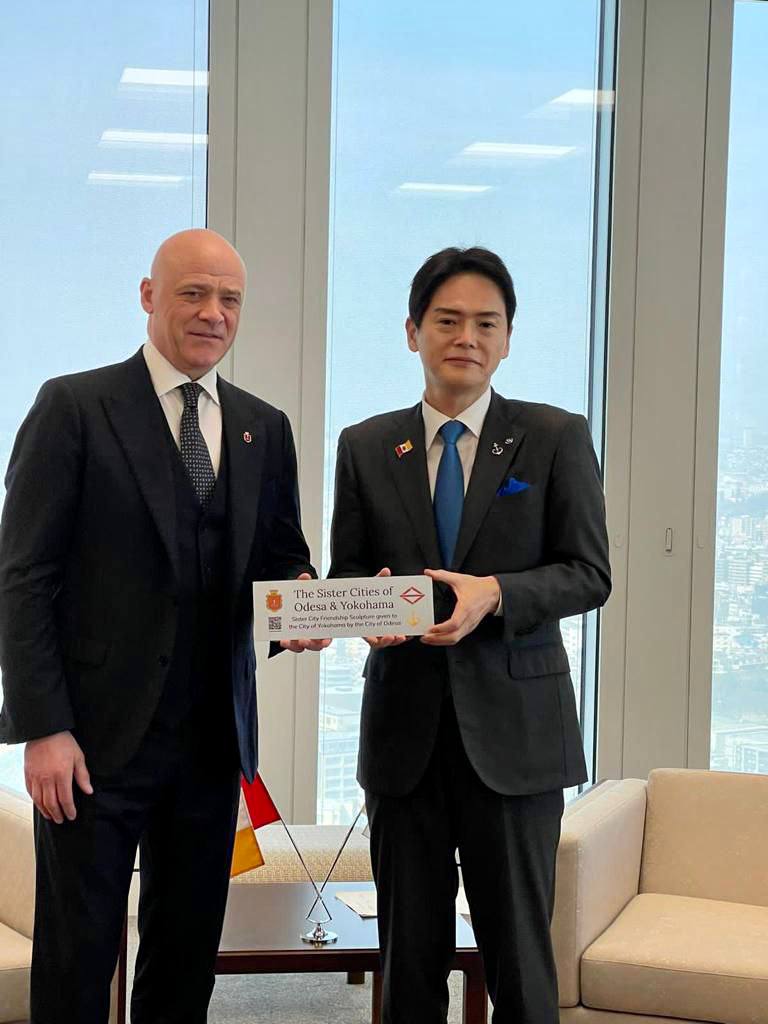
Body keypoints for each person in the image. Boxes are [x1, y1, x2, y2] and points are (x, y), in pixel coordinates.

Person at [0, 228, 326, 1024]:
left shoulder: (262, 426)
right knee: (77, 960)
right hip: (91, 747)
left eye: (230, 299)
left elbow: (282, 558)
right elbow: (23, 577)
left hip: (213, 745)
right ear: (149, 296)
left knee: (184, 963)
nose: (214, 313)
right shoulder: (74, 408)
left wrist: (309, 605)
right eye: (194, 293)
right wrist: (44, 727)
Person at [329, 247, 611, 1023]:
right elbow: (349, 572)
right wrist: (369, 613)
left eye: (486, 323)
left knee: (520, 964)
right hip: (404, 741)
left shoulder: (554, 436)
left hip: (517, 744)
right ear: (412, 331)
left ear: (508, 338)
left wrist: (497, 594)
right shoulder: (365, 445)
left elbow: (589, 573)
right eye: (448, 320)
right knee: (408, 965)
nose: (467, 338)